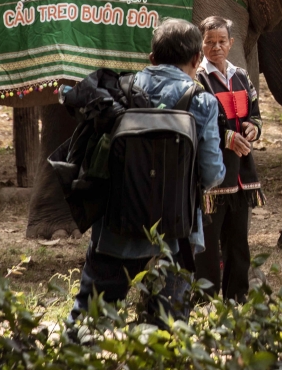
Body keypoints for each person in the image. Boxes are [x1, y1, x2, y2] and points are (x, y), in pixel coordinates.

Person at [68, 19, 225, 327]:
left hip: (116, 227)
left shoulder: (119, 90)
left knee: (89, 319)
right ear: (197, 59)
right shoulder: (203, 102)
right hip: (177, 235)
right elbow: (211, 175)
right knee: (167, 326)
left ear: (152, 58)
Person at [194, 16, 262, 302]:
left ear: (231, 43)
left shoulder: (241, 76)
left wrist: (254, 128)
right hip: (214, 178)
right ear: (201, 45)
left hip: (242, 174)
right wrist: (226, 137)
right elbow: (197, 124)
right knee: (209, 243)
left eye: (222, 41)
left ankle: (236, 297)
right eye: (210, 42)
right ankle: (205, 300)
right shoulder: (198, 79)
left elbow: (255, 114)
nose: (216, 47)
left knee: (238, 240)